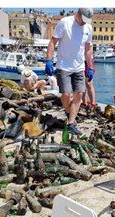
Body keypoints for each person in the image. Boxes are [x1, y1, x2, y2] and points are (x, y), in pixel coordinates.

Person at [45, 8, 94, 136]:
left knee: (79, 94)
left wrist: (90, 67)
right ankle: (69, 112)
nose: (84, 23)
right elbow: (52, 42)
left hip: (79, 67)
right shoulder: (64, 22)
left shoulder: (88, 28)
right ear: (78, 13)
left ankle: (71, 123)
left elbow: (88, 49)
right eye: (83, 20)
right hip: (64, 66)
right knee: (66, 95)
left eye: (86, 21)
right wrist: (49, 60)